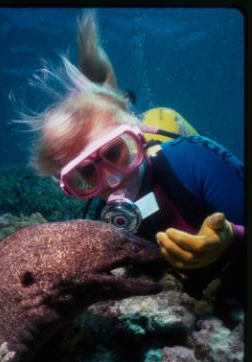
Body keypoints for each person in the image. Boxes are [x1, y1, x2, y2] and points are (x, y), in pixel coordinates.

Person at [25, 10, 244, 276]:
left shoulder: (194, 159)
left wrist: (231, 237)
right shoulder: (102, 219)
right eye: (86, 173)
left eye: (115, 152)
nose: (114, 181)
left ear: (137, 138)